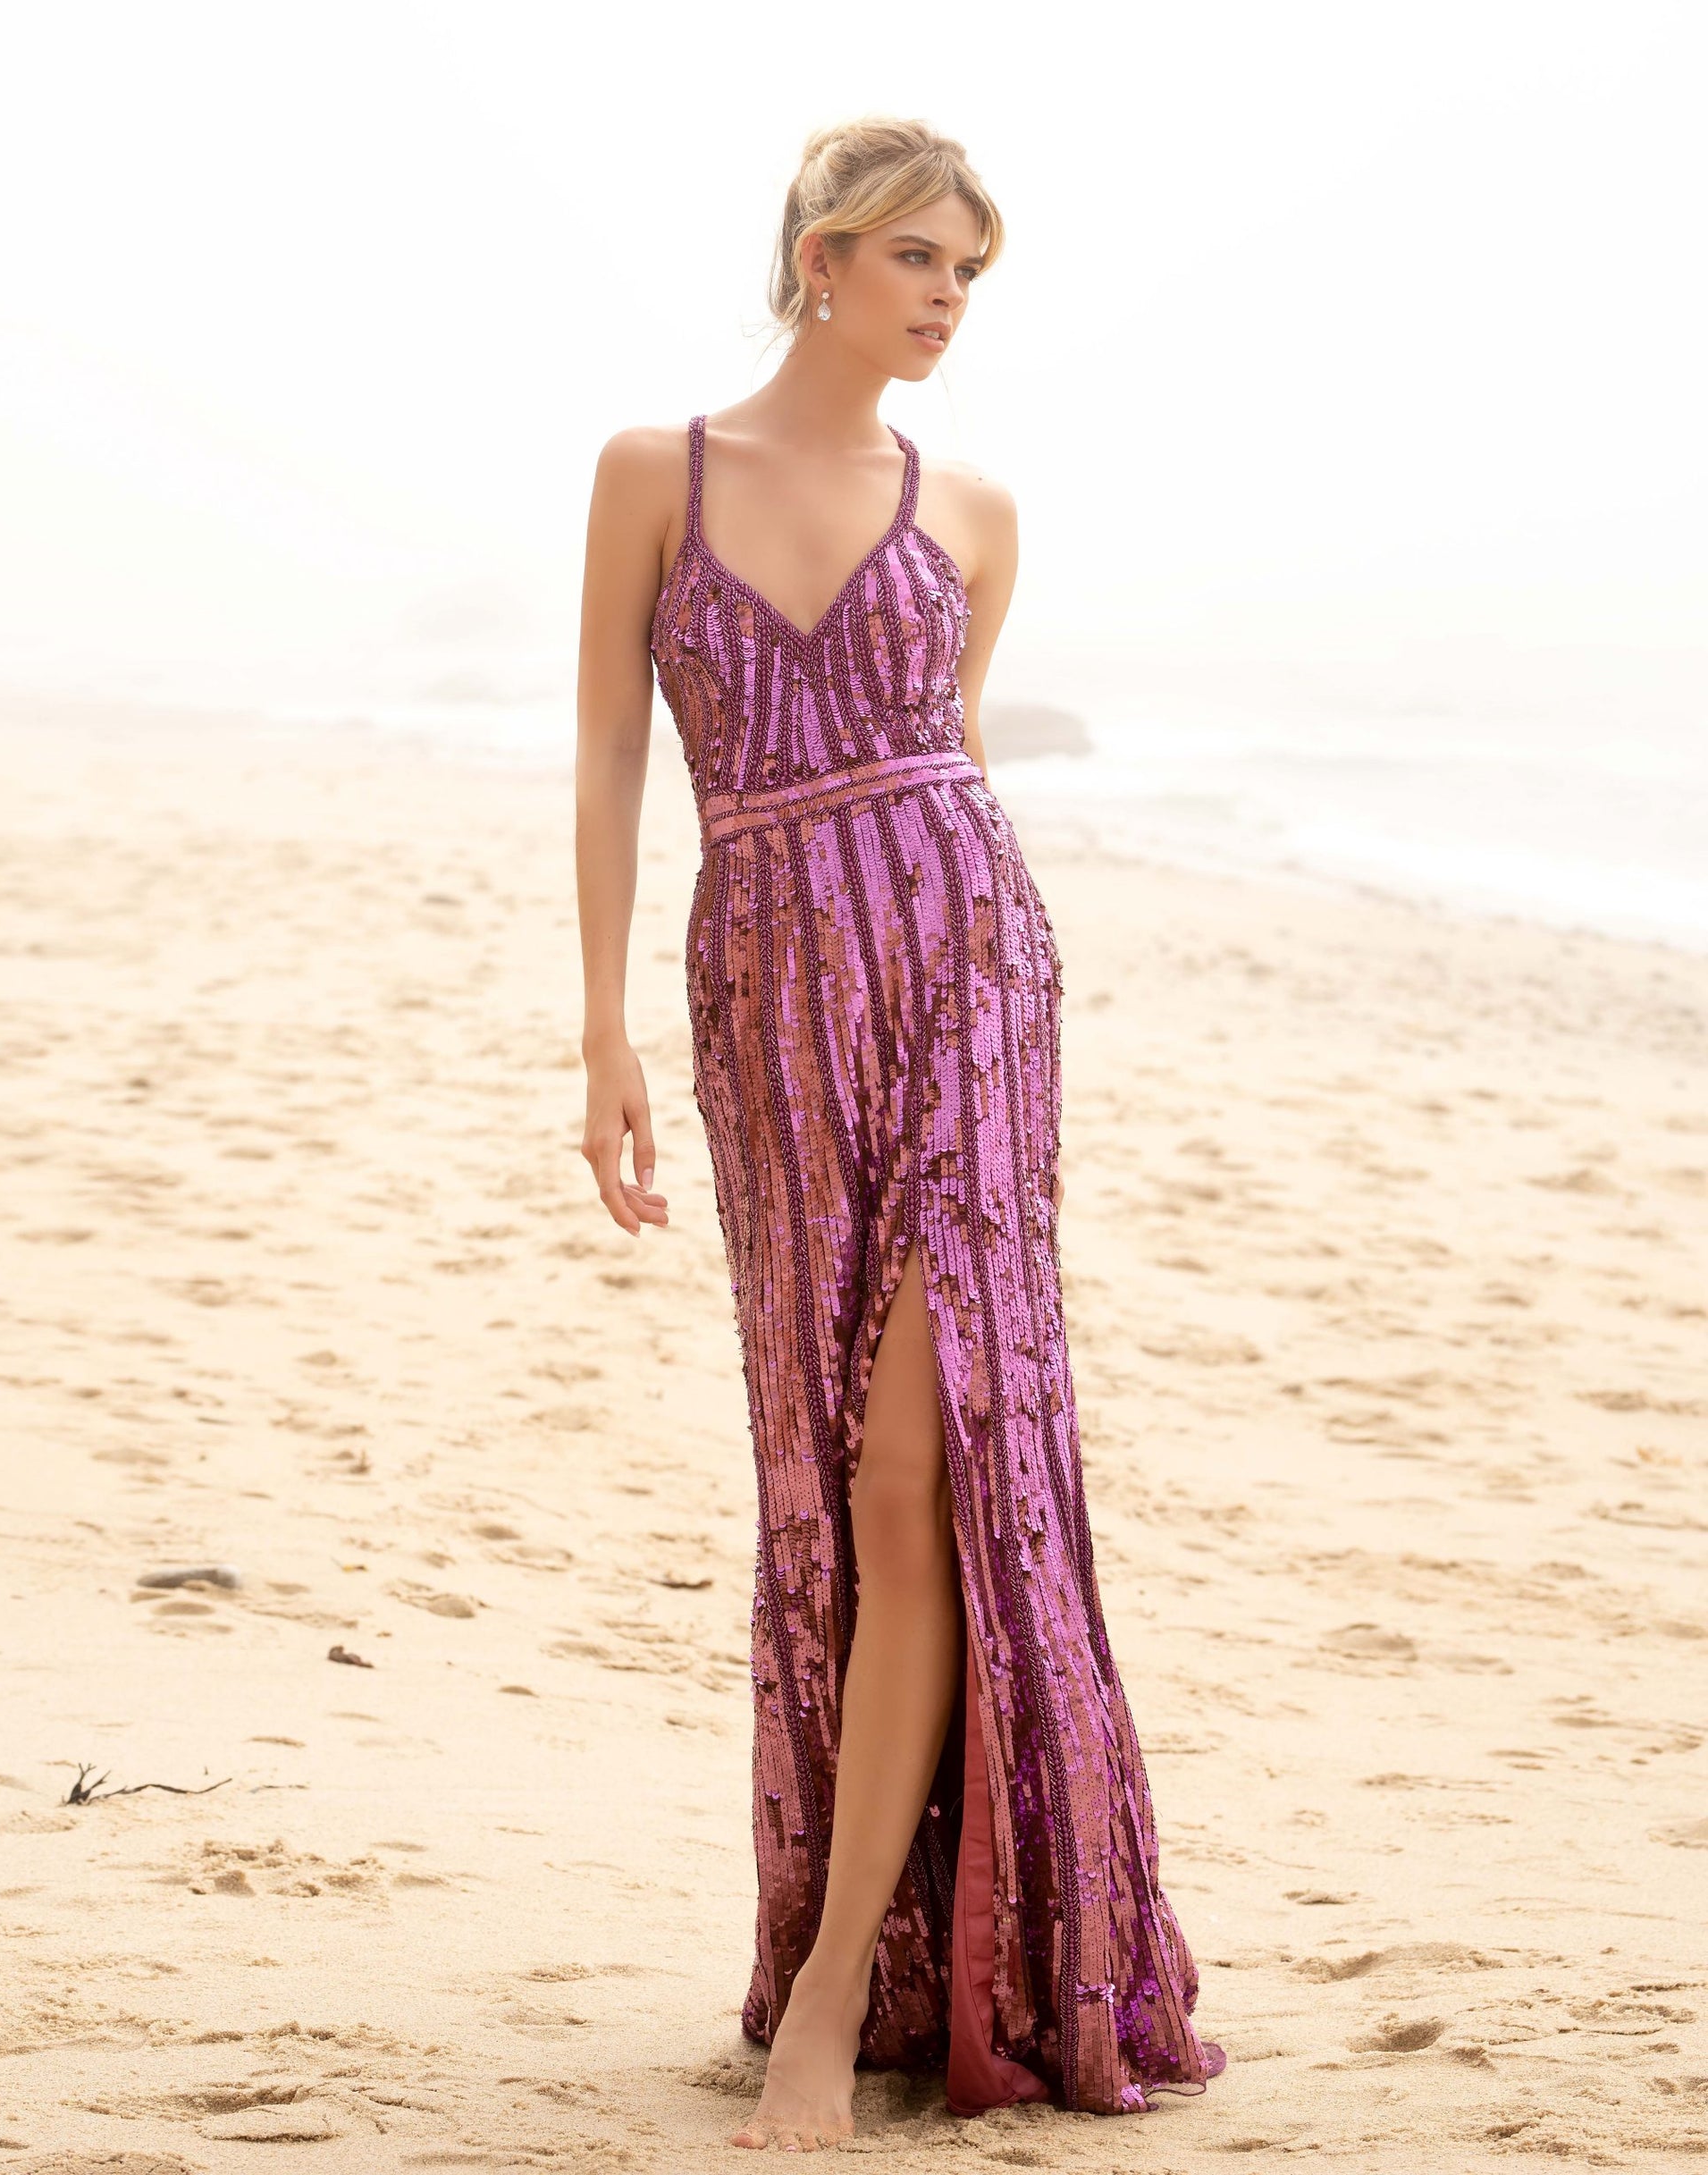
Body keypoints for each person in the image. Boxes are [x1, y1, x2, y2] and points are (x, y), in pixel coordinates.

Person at [576, 114, 1224, 2154]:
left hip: (967, 981)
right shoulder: (652, 473)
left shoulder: (975, 511)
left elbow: (941, 764)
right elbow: (607, 746)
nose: (948, 298)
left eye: (969, 271)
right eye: (919, 259)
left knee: (914, 1462)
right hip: (769, 1004)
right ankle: (857, 1940)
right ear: (823, 259)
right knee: (831, 1484)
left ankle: (841, 1979)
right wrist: (597, 1022)